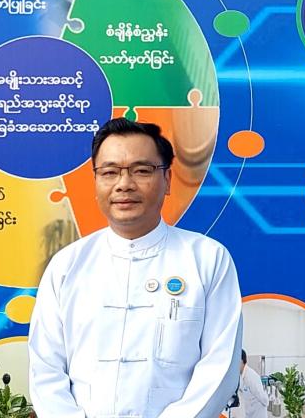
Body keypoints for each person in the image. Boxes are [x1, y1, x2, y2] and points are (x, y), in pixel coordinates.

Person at [28, 118, 243, 418]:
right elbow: (45, 368)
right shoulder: (67, 265)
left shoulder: (208, 259)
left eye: (141, 170)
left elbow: (220, 367)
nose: (124, 184)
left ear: (167, 179)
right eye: (110, 172)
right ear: (96, 181)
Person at [238, 350, 269, 418]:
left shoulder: (251, 377)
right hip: (249, 413)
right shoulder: (241, 375)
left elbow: (265, 400)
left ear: (241, 361)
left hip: (258, 415)